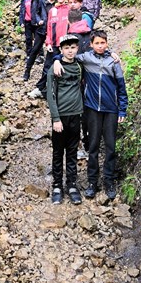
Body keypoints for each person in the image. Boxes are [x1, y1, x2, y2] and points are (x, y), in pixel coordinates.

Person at [53, 30, 128, 200]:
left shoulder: (113, 62)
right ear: (91, 45)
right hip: (92, 109)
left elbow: (121, 87)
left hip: (111, 110)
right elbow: (68, 56)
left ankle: (109, 181)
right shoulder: (86, 58)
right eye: (97, 43)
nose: (100, 46)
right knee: (92, 146)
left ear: (107, 43)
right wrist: (57, 60)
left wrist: (122, 108)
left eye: (103, 43)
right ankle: (92, 182)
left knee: (110, 147)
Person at [46, 34, 83, 205]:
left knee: (72, 150)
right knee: (58, 151)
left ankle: (72, 184)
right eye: (66, 48)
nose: (70, 50)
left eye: (73, 47)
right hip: (60, 117)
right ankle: (57, 185)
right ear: (61, 50)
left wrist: (112, 54)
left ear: (77, 48)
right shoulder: (54, 69)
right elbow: (50, 95)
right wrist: (55, 118)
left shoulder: (80, 65)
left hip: (76, 114)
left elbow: (98, 54)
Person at [29, 0, 68, 99]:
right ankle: (40, 88)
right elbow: (49, 28)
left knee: (65, 68)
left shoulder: (68, 10)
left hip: (66, 45)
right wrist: (48, 43)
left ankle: (60, 93)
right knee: (47, 66)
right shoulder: (52, 11)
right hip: (54, 44)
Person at [19, 0, 47, 81]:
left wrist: (41, 20)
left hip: (35, 21)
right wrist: (21, 21)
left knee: (37, 39)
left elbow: (41, 9)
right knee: (28, 38)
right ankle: (29, 54)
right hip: (27, 21)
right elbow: (22, 10)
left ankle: (40, 55)